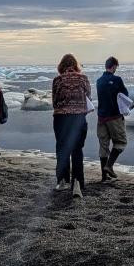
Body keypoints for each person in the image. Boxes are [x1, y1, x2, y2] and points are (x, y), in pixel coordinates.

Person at [52, 53, 94, 198]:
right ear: (76, 65)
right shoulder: (84, 78)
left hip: (61, 118)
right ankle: (77, 182)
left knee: (62, 148)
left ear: (61, 66)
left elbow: (55, 102)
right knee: (77, 149)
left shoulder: (57, 80)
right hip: (78, 118)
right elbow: (89, 98)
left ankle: (62, 180)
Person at [95, 56, 128, 182]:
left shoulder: (99, 81)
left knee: (103, 145)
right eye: (116, 67)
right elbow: (125, 95)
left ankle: (104, 176)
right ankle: (109, 165)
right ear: (114, 67)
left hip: (101, 117)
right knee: (121, 141)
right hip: (114, 116)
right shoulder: (117, 80)